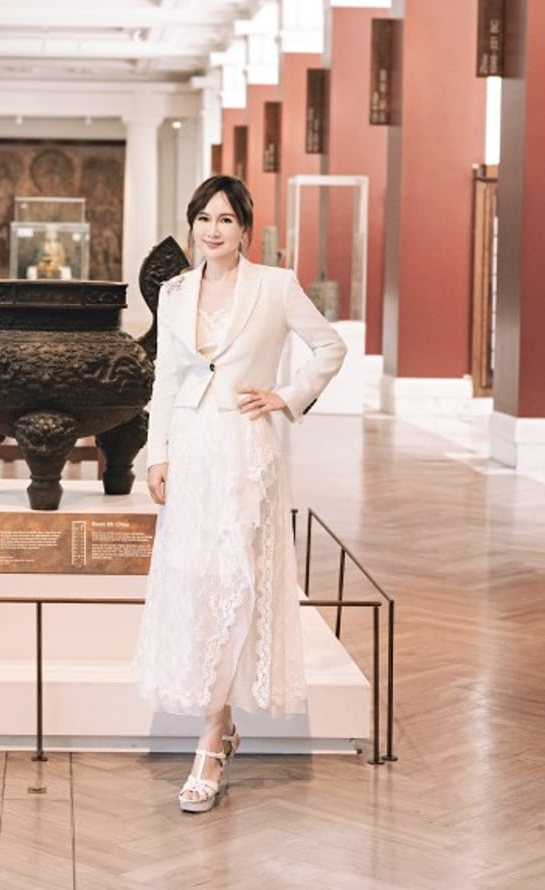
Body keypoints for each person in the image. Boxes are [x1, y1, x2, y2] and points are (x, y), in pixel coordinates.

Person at [132, 175, 346, 814]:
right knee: (199, 585)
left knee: (238, 586)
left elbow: (329, 346)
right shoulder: (174, 292)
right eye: (203, 218)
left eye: (225, 219)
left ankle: (209, 744)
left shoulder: (275, 286)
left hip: (246, 454)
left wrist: (286, 396)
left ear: (245, 229)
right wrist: (157, 455)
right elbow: (166, 380)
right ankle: (220, 726)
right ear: (192, 225)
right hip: (191, 452)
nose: (213, 230)